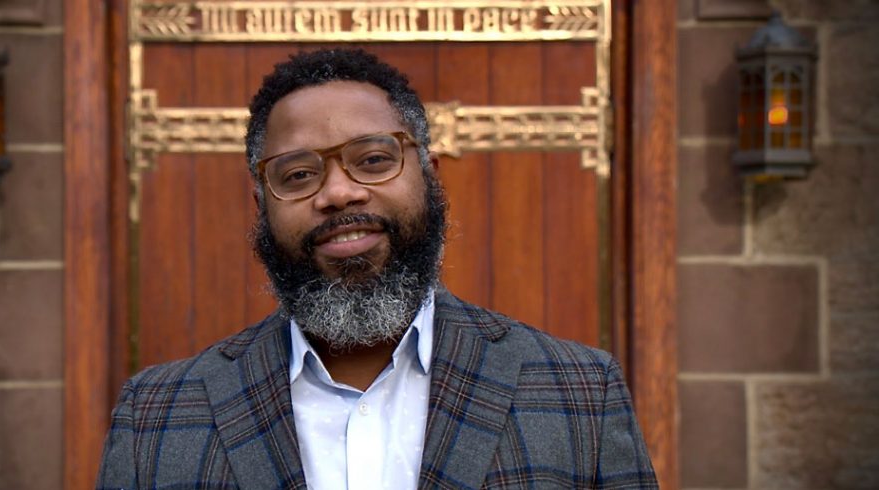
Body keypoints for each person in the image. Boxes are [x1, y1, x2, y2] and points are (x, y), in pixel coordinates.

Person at [97, 48, 657, 489]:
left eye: (373, 159)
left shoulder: (579, 392)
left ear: (430, 175)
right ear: (261, 206)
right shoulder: (158, 413)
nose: (339, 193)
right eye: (297, 175)